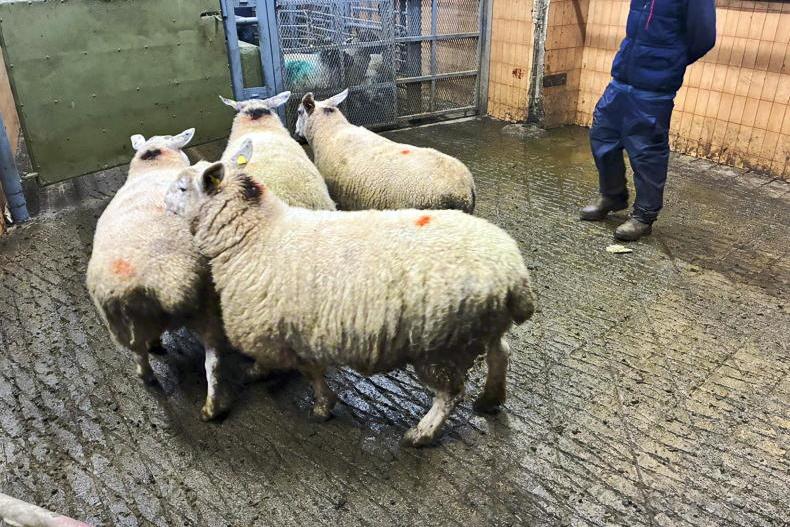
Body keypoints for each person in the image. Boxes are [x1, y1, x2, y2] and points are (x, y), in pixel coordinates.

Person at [580, 0, 717, 241]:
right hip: (621, 79)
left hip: (654, 89)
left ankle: (644, 216)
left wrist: (670, 61)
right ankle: (612, 196)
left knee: (647, 154)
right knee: (602, 136)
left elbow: (704, 38)